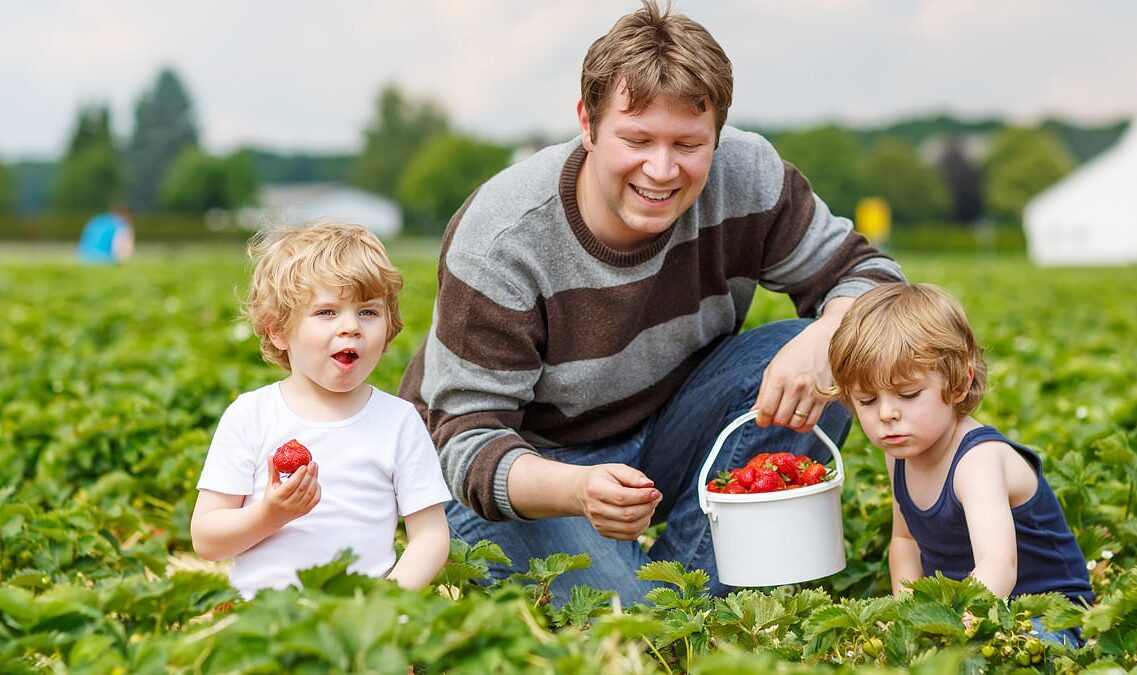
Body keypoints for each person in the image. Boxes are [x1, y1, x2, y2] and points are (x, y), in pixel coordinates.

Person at [399, 0, 904, 605]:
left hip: (660, 425)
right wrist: (578, 491)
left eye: (688, 144)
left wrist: (829, 335)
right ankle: (673, 598)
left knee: (838, 351)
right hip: (528, 465)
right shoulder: (504, 238)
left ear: (717, 132)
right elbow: (467, 442)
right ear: (587, 124)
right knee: (634, 630)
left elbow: (870, 276)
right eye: (635, 139)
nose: (661, 170)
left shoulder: (747, 174)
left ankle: (690, 592)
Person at [823, 282, 1093, 646]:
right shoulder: (899, 454)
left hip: (1047, 615)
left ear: (959, 383)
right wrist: (910, 619)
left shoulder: (976, 460)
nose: (887, 413)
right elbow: (904, 541)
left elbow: (998, 564)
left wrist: (950, 627)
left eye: (908, 394)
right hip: (967, 612)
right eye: (867, 400)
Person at [191, 221, 451, 599]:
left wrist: (384, 606)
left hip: (360, 617)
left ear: (389, 326)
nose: (351, 327)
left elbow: (430, 537)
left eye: (368, 312)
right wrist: (271, 514)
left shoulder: (398, 421)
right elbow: (206, 540)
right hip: (262, 618)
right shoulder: (251, 416)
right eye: (327, 312)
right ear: (278, 329)